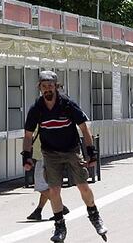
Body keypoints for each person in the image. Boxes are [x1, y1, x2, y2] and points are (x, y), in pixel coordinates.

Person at [22, 70, 107, 242]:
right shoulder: (36, 108)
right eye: (44, 86)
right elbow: (28, 135)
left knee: (83, 186)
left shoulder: (67, 104)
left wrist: (91, 152)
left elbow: (84, 128)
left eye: (50, 86)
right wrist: (27, 157)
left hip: (71, 150)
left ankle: (94, 215)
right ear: (40, 88)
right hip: (50, 153)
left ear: (56, 87)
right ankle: (60, 226)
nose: (47, 89)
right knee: (53, 190)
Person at [26, 127, 70, 221]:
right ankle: (38, 211)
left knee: (40, 186)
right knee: (47, 186)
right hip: (54, 157)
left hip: (43, 157)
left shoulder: (41, 118)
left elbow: (29, 134)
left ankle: (60, 207)